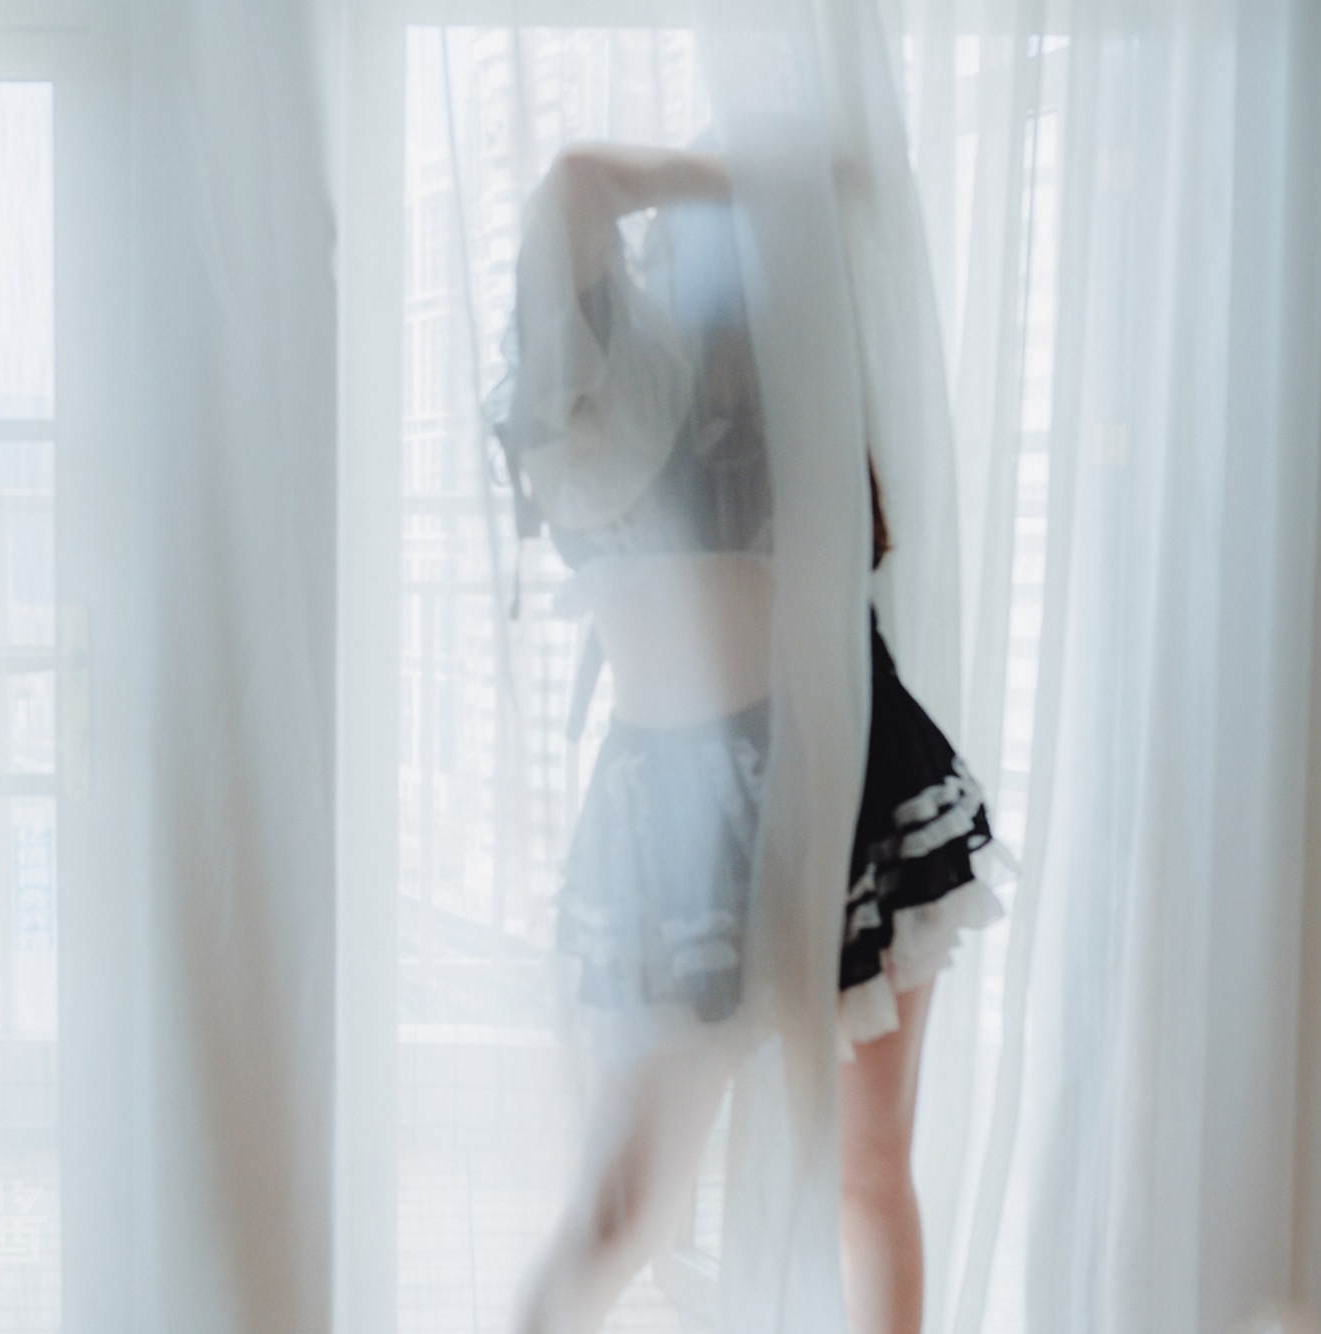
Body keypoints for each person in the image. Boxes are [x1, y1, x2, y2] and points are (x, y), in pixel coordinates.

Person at [484, 141, 1006, 1334]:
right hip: (670, 820)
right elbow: (572, 185)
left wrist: (796, 217)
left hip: (851, 775)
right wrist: (761, 178)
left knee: (865, 1173)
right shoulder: (608, 398)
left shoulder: (798, 409)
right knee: (624, 1205)